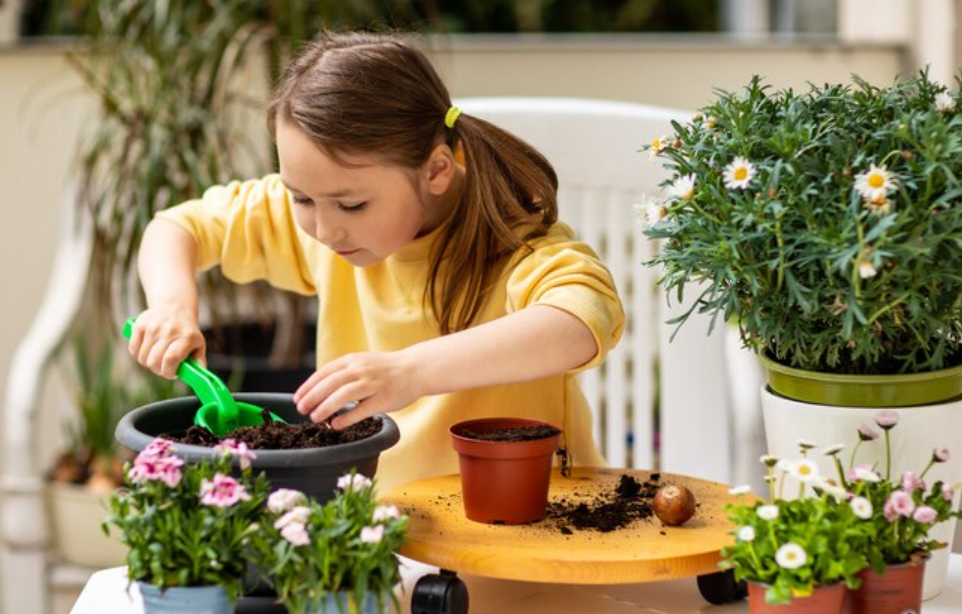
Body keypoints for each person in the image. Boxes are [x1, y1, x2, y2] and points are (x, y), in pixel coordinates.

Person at [128, 31, 625, 490]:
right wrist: (172, 306)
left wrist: (410, 372)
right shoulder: (330, 218)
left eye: (352, 205)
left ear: (436, 170)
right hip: (381, 522)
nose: (325, 230)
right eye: (301, 198)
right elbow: (179, 227)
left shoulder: (515, 245)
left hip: (528, 518)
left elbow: (583, 319)